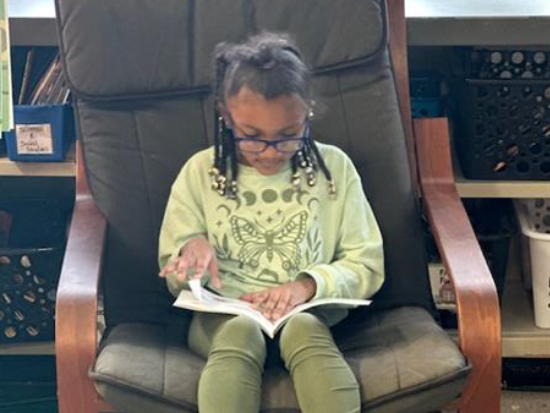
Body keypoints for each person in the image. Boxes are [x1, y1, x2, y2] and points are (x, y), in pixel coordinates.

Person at [158, 32, 384, 413]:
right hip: (226, 319)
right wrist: (191, 253)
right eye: (251, 137)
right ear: (225, 115)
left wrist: (306, 286)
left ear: (307, 112)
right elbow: (175, 275)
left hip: (309, 316)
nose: (270, 152)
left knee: (305, 329)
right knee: (239, 332)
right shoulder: (199, 172)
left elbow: (367, 263)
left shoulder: (335, 171)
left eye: (288, 135)